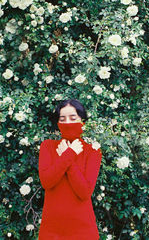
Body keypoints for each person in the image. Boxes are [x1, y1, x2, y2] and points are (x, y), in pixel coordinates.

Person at [38, 99, 103, 240]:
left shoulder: (92, 151)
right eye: (63, 119)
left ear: (82, 120)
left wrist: (68, 156)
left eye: (73, 118)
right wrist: (69, 154)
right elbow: (47, 182)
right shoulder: (47, 147)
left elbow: (84, 192)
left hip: (83, 231)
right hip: (52, 230)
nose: (67, 123)